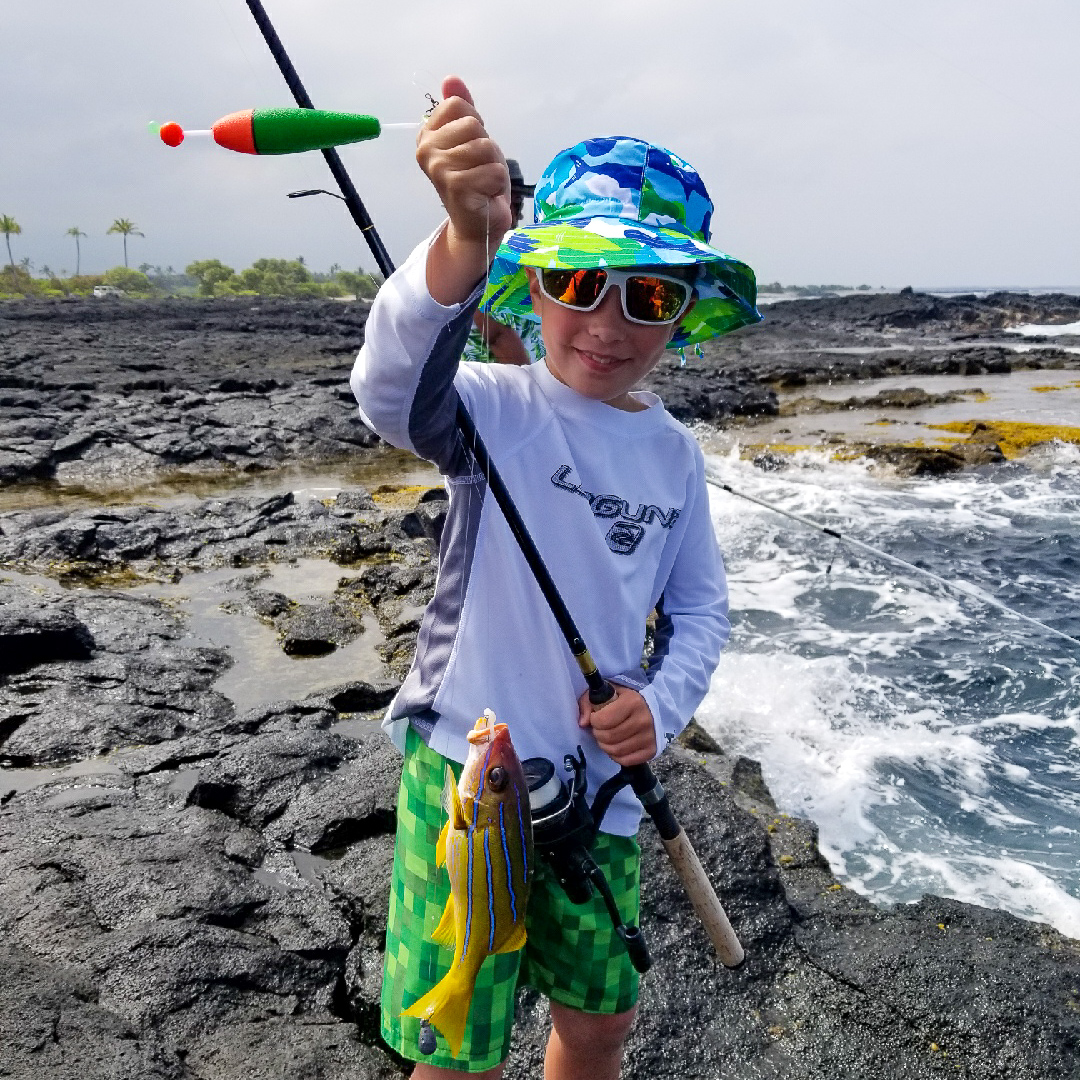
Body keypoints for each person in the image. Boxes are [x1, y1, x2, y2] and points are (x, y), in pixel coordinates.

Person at [351, 74, 760, 1080]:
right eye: (577, 283)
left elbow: (702, 609)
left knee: (602, 1021)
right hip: (466, 779)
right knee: (456, 1052)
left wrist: (657, 711)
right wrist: (461, 241)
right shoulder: (494, 406)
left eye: (650, 295)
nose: (609, 323)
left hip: (604, 800)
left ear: (684, 314)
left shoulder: (674, 456)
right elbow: (389, 392)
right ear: (532, 286)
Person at [461, 158, 543, 365]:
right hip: (492, 380)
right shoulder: (473, 256)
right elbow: (496, 334)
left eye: (517, 204)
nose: (515, 214)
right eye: (509, 203)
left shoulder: (528, 256)